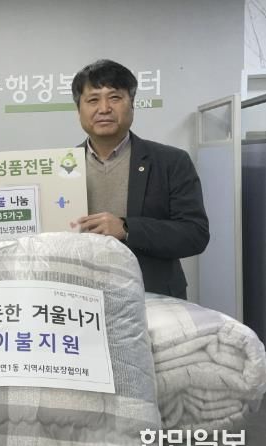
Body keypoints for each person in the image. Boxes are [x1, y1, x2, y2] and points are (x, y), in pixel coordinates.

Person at [72, 59, 209, 299]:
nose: (104, 108)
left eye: (115, 97)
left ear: (132, 104)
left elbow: (194, 234)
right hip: (81, 297)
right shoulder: (62, 168)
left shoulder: (171, 161)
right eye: (93, 100)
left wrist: (127, 228)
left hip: (152, 296)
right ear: (79, 110)